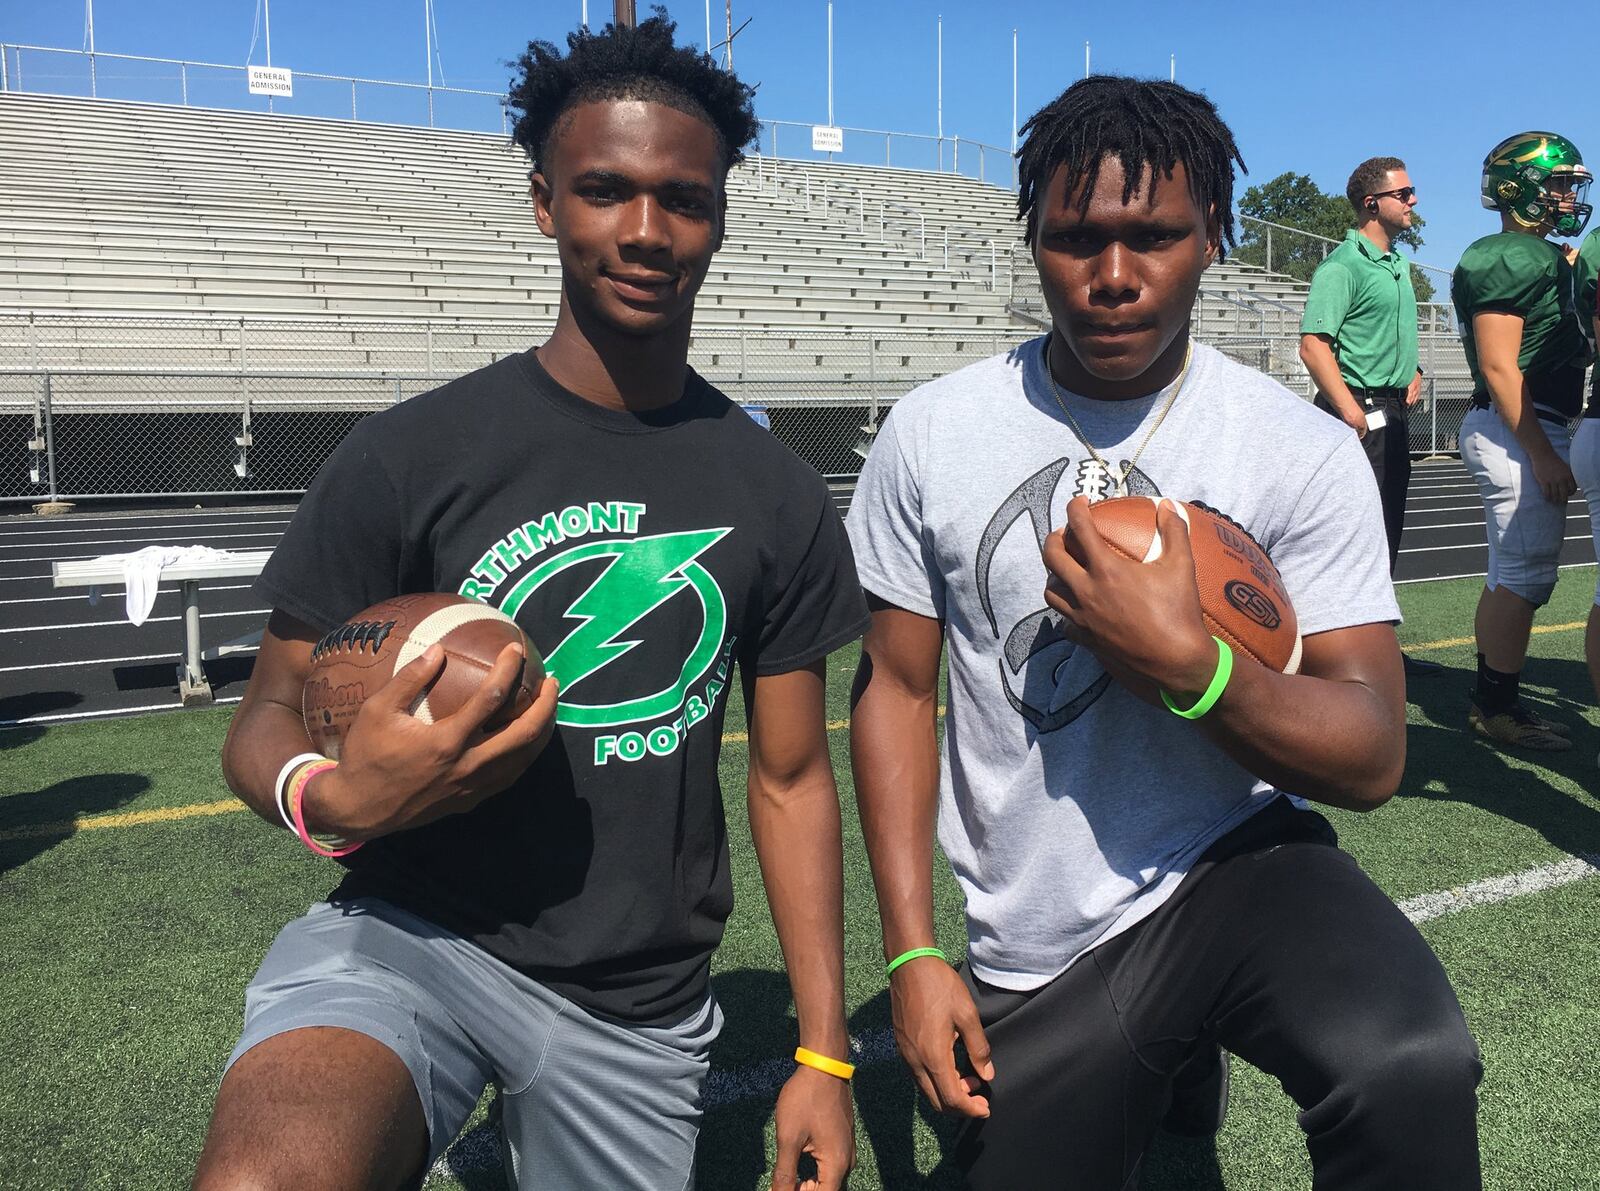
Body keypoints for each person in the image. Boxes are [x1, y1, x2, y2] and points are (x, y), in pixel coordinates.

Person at [193, 16, 865, 1190]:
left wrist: (822, 1050)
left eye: (684, 199)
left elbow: (793, 776)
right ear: (544, 201)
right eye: (605, 190)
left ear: (718, 215)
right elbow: (269, 711)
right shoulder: (412, 452)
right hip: (412, 937)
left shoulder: (775, 492)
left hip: (638, 1000)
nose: (647, 232)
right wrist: (332, 796)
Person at [847, 75, 1482, 1190]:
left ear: (1214, 239)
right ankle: (1174, 1057)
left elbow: (1374, 753)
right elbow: (895, 692)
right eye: (1074, 239)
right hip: (1034, 932)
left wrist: (1192, 670)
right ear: (1033, 239)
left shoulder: (1298, 448)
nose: (1111, 279)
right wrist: (909, 951)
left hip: (1233, 861)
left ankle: (1189, 1034)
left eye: (1155, 238)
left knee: (1411, 1067)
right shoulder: (929, 434)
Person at [1452, 132, 1594, 752]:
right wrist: (1538, 449)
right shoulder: (1509, 253)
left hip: (1527, 422)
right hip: (1518, 424)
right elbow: (1501, 366)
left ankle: (1493, 698)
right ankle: (1497, 707)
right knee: (1525, 573)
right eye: (1559, 182)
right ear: (1523, 187)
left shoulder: (1539, 254)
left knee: (1512, 572)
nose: (1569, 194)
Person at [1300, 155, 1441, 677]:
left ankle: (1372, 643)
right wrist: (1351, 412)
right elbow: (1314, 346)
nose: (1413, 201)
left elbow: (1383, 334)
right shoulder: (1343, 266)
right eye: (1404, 194)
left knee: (1386, 532)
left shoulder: (1398, 266)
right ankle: (1328, 652)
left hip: (1390, 413)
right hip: (1358, 416)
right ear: (1371, 204)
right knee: (1351, 540)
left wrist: (1414, 367)